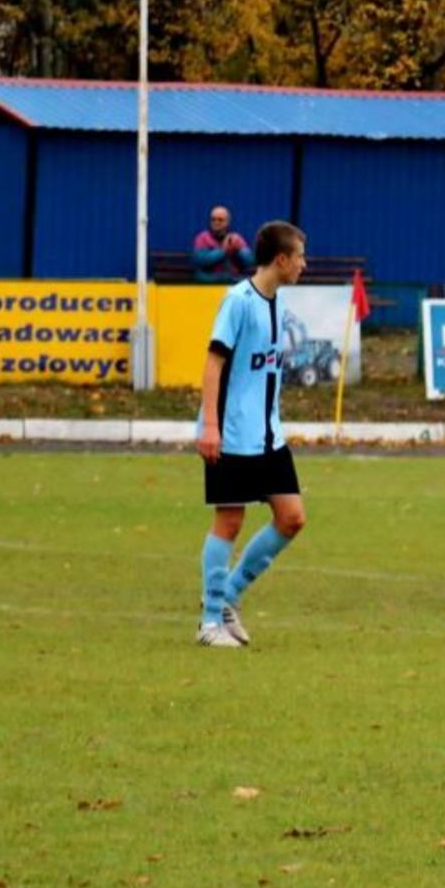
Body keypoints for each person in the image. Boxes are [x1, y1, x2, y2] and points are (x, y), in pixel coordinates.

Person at [194, 221, 310, 647]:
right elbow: (213, 364)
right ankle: (209, 623)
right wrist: (209, 425)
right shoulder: (238, 301)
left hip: (269, 435)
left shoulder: (277, 303)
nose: (304, 263)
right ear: (280, 259)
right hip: (231, 431)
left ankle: (229, 598)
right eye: (299, 255)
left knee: (292, 518)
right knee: (229, 519)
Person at [193, 206, 255, 283]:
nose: (216, 223)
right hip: (209, 281)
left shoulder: (235, 239)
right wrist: (223, 251)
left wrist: (239, 250)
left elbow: (249, 261)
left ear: (227, 222)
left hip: (233, 281)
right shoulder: (202, 238)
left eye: (220, 220)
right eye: (213, 219)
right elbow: (201, 261)